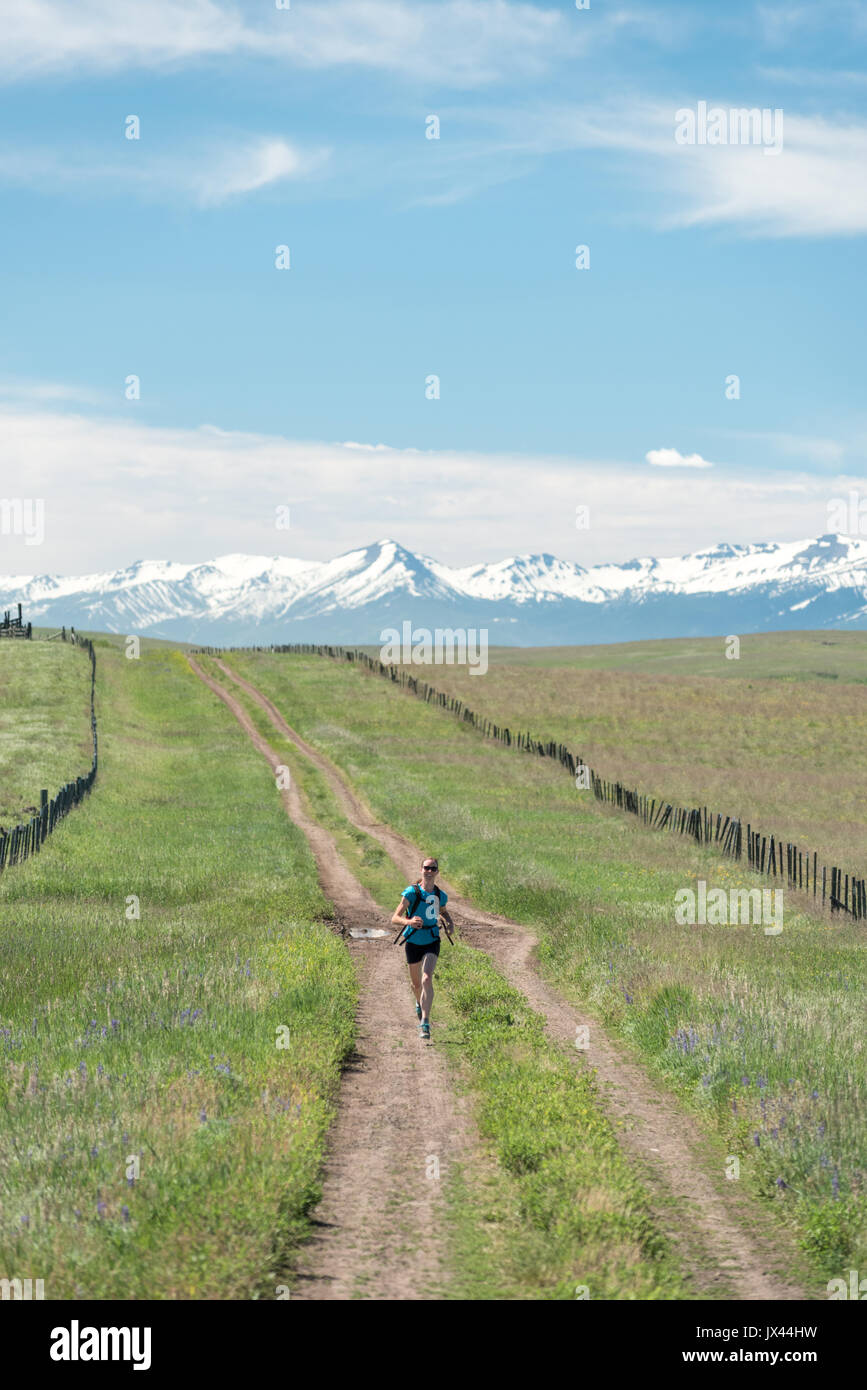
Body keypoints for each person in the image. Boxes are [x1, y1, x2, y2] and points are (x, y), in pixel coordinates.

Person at [392, 857, 454, 1039]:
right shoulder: (411, 893)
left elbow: (443, 911)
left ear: (437, 872)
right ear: (421, 870)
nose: (429, 871)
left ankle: (425, 1022)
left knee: (427, 978)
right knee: (416, 984)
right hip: (412, 942)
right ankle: (419, 1003)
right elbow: (394, 917)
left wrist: (449, 923)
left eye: (432, 868)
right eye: (426, 867)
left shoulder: (439, 895)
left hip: (432, 940)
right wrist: (409, 921)